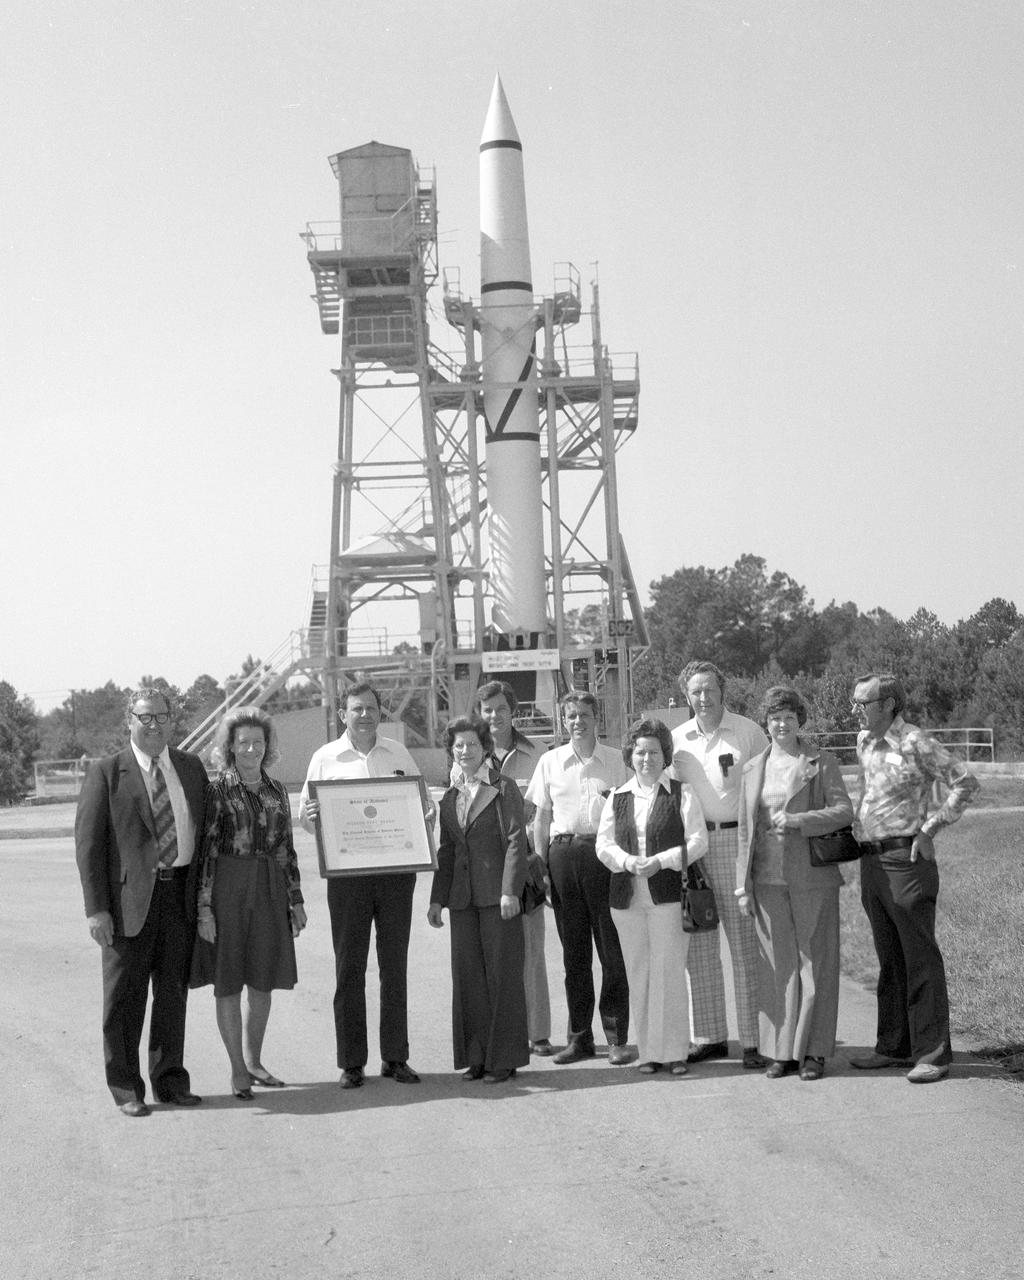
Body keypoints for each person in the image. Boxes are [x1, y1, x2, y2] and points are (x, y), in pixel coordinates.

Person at [75, 687, 208, 1117]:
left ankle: (170, 1080)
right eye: (145, 717)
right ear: (128, 720)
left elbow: (206, 833)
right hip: (127, 904)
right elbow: (89, 846)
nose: (154, 725)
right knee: (124, 1001)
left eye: (161, 717)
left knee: (172, 996)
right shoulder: (107, 772)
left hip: (179, 896)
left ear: (172, 721)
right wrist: (96, 910)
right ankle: (126, 1088)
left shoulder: (190, 768)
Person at [849, 673, 979, 1084]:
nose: (856, 710)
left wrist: (930, 830)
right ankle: (893, 1046)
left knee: (919, 957)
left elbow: (965, 782)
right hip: (872, 862)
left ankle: (933, 1054)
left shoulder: (916, 742)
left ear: (888, 704)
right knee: (890, 959)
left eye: (863, 703)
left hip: (907, 861)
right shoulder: (864, 742)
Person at [299, 682, 428, 1089]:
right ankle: (351, 1062)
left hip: (394, 876)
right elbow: (305, 815)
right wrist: (315, 815)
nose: (365, 715)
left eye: (371, 708)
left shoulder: (398, 754)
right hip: (348, 878)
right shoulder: (325, 759)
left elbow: (422, 802)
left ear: (379, 713)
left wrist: (425, 811)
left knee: (394, 968)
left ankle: (395, 1057)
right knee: (349, 969)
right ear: (343, 715)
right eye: (357, 709)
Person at [735, 687, 853, 1081]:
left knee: (814, 965)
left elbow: (843, 811)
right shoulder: (753, 767)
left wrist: (800, 821)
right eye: (773, 719)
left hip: (811, 878)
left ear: (800, 720)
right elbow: (743, 832)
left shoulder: (821, 762)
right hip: (765, 880)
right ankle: (780, 1052)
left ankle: (815, 1051)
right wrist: (742, 885)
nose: (781, 724)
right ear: (765, 724)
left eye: (787, 717)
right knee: (776, 969)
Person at [191, 706, 307, 1100]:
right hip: (227, 886)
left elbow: (286, 849)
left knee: (262, 980)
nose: (252, 749)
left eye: (259, 742)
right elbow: (205, 850)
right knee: (228, 982)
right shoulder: (218, 789)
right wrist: (204, 908)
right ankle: (237, 1070)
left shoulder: (277, 791)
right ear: (230, 747)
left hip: (270, 887)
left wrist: (296, 901)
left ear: (267, 746)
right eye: (244, 743)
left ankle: (255, 1061)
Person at [526, 690, 633, 1065]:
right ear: (562, 720)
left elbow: (628, 812)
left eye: (584, 715)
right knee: (574, 956)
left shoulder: (618, 761)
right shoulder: (550, 762)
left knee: (612, 953)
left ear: (596, 718)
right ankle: (579, 1038)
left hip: (604, 858)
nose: (577, 722)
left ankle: (617, 1038)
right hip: (563, 857)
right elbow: (540, 818)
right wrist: (540, 866)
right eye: (570, 716)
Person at [671, 660, 769, 1068]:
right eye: (696, 691)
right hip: (694, 847)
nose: (704, 698)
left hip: (735, 841)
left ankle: (753, 1039)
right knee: (699, 945)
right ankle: (709, 1035)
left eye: (710, 689)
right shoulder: (676, 741)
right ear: (686, 695)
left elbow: (768, 788)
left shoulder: (747, 732)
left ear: (722, 690)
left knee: (745, 946)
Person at [597, 718, 708, 1076]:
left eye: (654, 752)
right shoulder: (617, 796)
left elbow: (697, 841)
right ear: (630, 756)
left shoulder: (681, 793)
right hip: (627, 899)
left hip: (669, 894)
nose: (647, 758)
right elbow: (604, 845)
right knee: (639, 972)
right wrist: (628, 861)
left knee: (670, 971)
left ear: (665, 756)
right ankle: (648, 1053)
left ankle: (674, 1052)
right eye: (640, 751)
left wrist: (660, 861)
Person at [427, 716, 530, 1083]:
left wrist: (509, 891)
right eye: (458, 746)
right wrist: (437, 900)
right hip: (462, 900)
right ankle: (477, 1056)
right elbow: (448, 849)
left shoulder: (504, 788)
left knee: (503, 978)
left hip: (497, 897)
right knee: (468, 979)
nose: (465, 751)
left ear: (485, 748)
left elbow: (517, 840)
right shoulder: (451, 795)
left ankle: (505, 1058)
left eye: (471, 744)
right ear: (451, 751)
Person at [475, 679, 553, 1056]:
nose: (494, 716)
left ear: (513, 710)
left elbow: (544, 810)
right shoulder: (468, 755)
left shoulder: (539, 753)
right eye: (487, 710)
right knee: (491, 952)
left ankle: (537, 1032)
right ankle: (500, 1030)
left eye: (501, 709)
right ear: (479, 714)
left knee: (531, 950)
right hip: (485, 865)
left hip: (526, 863)